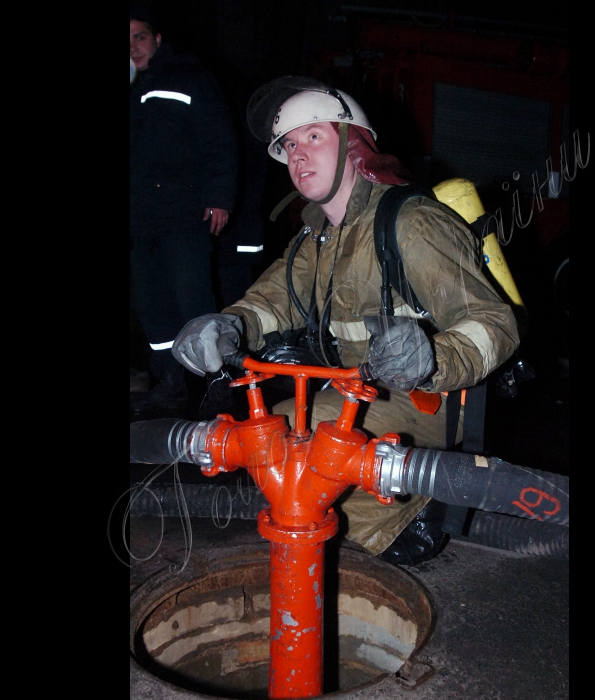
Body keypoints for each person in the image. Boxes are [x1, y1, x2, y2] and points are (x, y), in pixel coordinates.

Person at [171, 76, 520, 562]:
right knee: (268, 439)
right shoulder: (316, 238)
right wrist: (228, 325)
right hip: (358, 388)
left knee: (307, 455)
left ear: (353, 142)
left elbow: (495, 323)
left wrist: (431, 357)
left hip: (427, 396)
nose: (297, 153)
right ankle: (329, 551)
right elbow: (272, 302)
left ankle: (412, 512)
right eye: (289, 144)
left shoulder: (411, 221)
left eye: (313, 136)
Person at [130, 6, 239, 419]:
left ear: (157, 40)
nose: (133, 47)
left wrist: (220, 196)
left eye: (139, 36)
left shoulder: (188, 76)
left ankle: (218, 384)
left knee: (192, 301)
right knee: (152, 305)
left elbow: (219, 139)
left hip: (183, 214)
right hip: (142, 219)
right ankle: (170, 384)